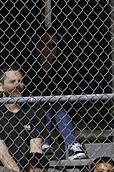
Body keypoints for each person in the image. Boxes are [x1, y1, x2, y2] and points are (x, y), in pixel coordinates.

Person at [32, 29, 88, 160]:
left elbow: (70, 86)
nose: (49, 49)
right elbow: (34, 89)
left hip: (57, 107)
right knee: (46, 104)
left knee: (57, 104)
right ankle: (46, 142)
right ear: (38, 45)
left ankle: (72, 145)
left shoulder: (62, 64)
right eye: (45, 44)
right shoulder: (30, 64)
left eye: (53, 45)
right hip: (34, 108)